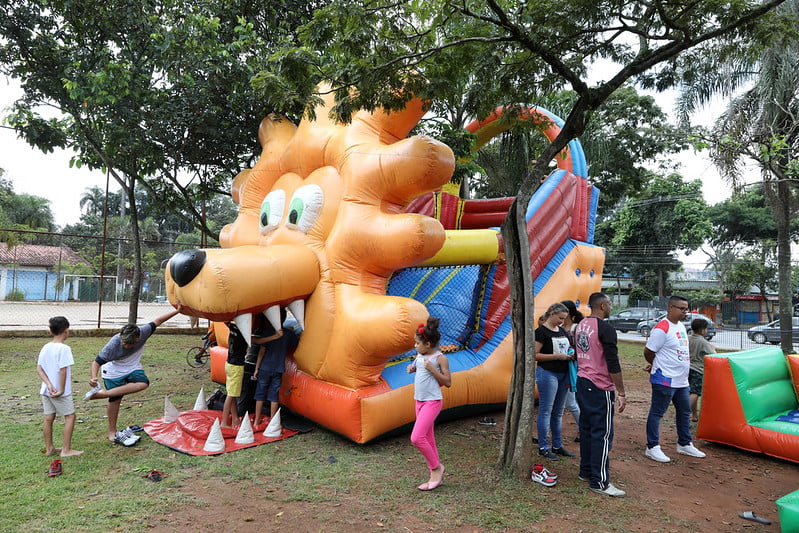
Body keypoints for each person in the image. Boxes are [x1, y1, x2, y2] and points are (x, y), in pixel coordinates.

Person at [84, 305, 184, 445]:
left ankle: (103, 394)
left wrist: (178, 311)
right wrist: (93, 377)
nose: (126, 346)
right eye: (124, 343)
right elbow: (96, 362)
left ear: (138, 338)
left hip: (132, 367)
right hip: (113, 370)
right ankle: (112, 432)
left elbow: (159, 320)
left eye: (130, 344)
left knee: (143, 383)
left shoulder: (144, 331)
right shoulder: (113, 344)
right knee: (116, 400)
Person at [574, 292, 626, 497]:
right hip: (599, 386)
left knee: (587, 429)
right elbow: (613, 363)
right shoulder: (605, 329)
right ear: (603, 306)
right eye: (611, 303)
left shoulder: (580, 325)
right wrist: (620, 391)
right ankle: (600, 481)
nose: (612, 307)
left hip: (583, 381)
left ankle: (586, 471)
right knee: (602, 434)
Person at [643, 295, 706, 462]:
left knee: (684, 412)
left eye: (686, 308)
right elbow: (648, 351)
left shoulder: (681, 327)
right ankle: (652, 446)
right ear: (671, 307)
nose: (685, 312)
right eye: (682, 308)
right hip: (665, 379)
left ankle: (684, 444)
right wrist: (656, 364)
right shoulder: (662, 328)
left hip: (682, 380)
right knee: (657, 412)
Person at [407, 317, 451, 491]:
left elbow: (448, 382)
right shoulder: (420, 354)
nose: (415, 346)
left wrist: (433, 370)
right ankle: (436, 474)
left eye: (417, 343)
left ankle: (436, 469)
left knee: (416, 438)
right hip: (419, 400)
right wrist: (413, 368)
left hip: (433, 401)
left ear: (428, 343)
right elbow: (418, 365)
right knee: (428, 438)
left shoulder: (440, 358)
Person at [535, 302, 576, 460]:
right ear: (551, 314)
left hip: (563, 373)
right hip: (548, 373)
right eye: (560, 318)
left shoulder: (562, 331)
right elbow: (535, 355)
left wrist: (570, 353)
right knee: (546, 410)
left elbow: (568, 347)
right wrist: (558, 357)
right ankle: (543, 446)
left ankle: (557, 445)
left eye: (564, 319)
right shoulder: (541, 332)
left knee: (558, 412)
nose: (562, 322)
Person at [37, 316, 83, 458]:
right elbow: (63, 370)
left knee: (49, 417)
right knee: (70, 416)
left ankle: (50, 448)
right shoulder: (64, 349)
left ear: (50, 331)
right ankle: (66, 450)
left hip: (46, 390)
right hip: (59, 392)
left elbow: (39, 368)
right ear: (66, 331)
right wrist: (61, 390)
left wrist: (48, 384)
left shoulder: (46, 347)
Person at [253, 310, 300, 427]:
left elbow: (261, 352)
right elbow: (297, 343)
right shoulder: (288, 334)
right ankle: (273, 422)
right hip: (278, 368)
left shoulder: (267, 332)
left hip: (265, 367)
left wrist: (256, 368)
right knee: (274, 396)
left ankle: (256, 420)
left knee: (260, 394)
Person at [560, 300, 583, 442]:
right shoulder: (560, 326)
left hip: (573, 368)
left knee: (570, 403)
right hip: (561, 368)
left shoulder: (576, 328)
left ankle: (582, 429)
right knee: (566, 403)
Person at [688, 318, 715, 422]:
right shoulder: (703, 342)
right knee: (695, 393)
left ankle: (694, 415)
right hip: (698, 370)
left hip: (687, 368)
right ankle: (685, 412)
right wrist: (713, 348)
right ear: (703, 330)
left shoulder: (688, 338)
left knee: (691, 392)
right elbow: (713, 355)